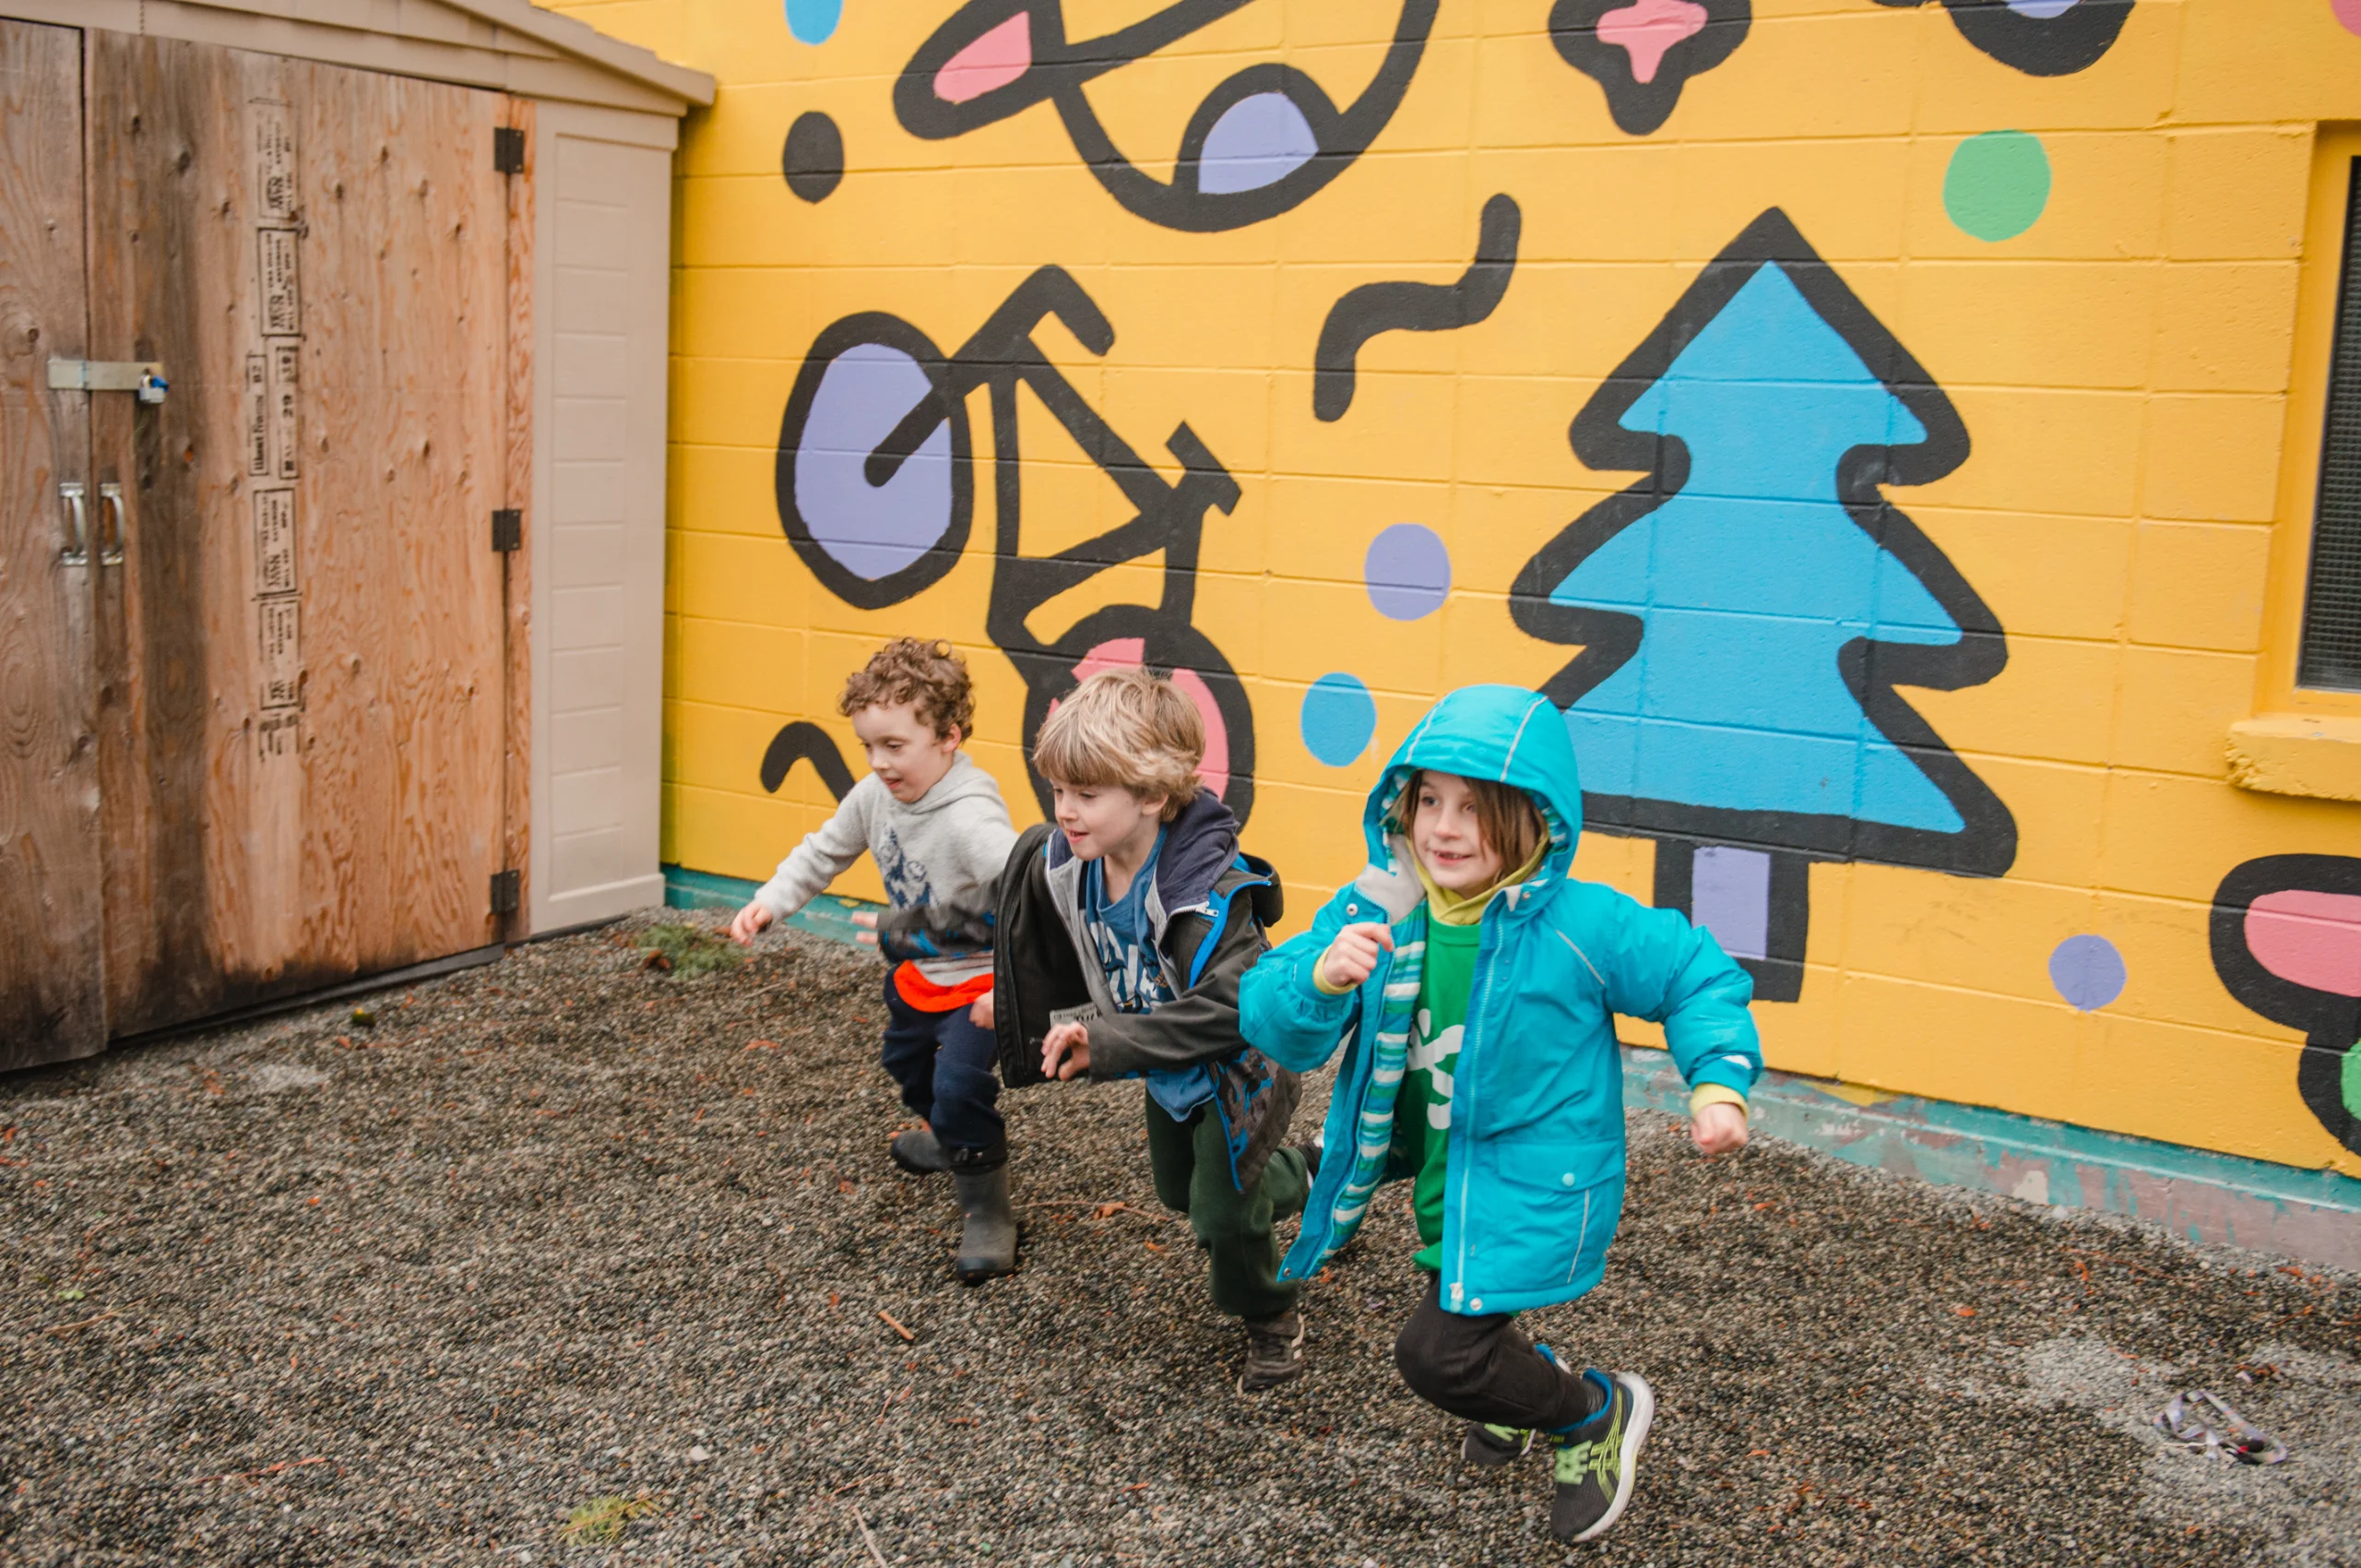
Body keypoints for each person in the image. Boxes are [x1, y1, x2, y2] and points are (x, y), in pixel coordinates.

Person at [1240, 683, 1760, 1544]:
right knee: (1466, 1304)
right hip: (1444, 1173)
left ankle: (1592, 1411)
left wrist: (1717, 1080)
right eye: (1429, 800)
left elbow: (1696, 975)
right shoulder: (1385, 905)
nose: (1443, 828)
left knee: (1439, 1355)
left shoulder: (1577, 923)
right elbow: (1271, 1018)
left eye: (1475, 808)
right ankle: (1522, 1385)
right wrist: (1320, 978)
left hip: (1536, 1177)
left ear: (1533, 820)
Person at [955, 667, 1312, 1391]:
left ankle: (1272, 1318)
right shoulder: (1070, 864)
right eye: (1059, 790)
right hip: (1166, 1064)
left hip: (1238, 1072)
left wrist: (1110, 1043)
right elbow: (1010, 925)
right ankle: (1312, 1171)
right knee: (1179, 1192)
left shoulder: (1206, 894)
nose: (1066, 811)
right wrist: (922, 942)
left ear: (1153, 795)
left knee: (1221, 1219)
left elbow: (1232, 1009)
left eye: (1087, 795)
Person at [728, 637, 1019, 1283]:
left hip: (980, 985)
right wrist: (771, 903)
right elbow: (823, 852)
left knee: (958, 1087)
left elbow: (1028, 899)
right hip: (919, 978)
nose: (878, 762)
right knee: (907, 1067)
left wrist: (1019, 985)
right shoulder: (874, 797)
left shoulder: (972, 819)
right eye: (868, 745)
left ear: (949, 736)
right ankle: (949, 1137)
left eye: (894, 746)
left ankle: (988, 1211)